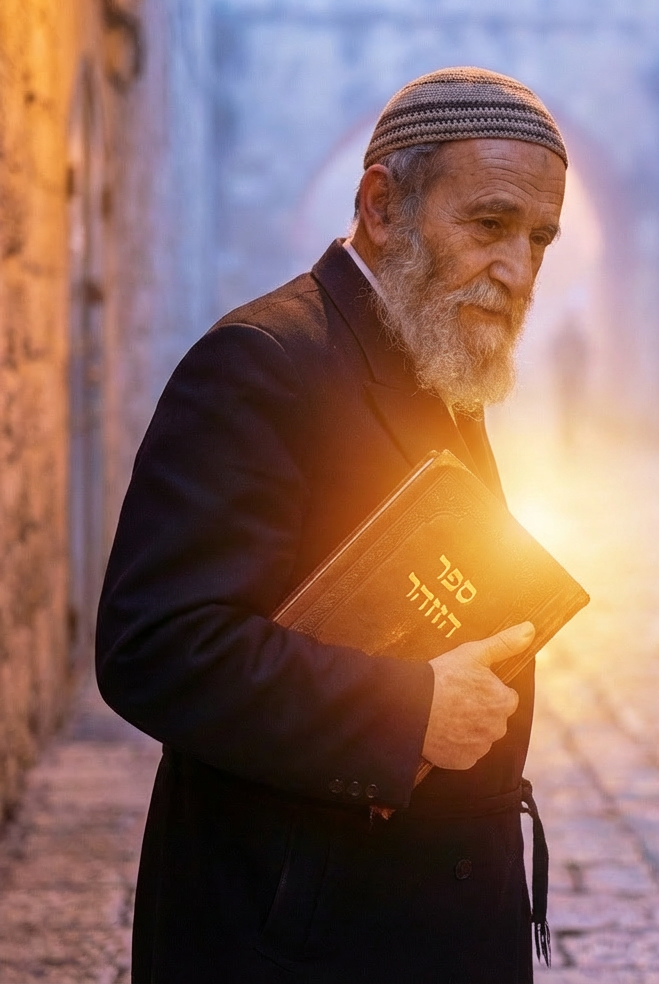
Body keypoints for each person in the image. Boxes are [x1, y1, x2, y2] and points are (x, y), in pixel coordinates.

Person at [96, 67, 568, 984]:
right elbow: (155, 645)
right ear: (382, 204)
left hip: (422, 915)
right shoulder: (262, 362)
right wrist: (414, 709)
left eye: (540, 238)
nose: (517, 270)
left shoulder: (431, 348)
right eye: (489, 225)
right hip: (302, 933)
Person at [549, 311, 589, 450]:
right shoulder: (571, 337)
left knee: (569, 408)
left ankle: (569, 437)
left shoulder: (572, 337)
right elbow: (554, 353)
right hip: (567, 378)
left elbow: (585, 355)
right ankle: (567, 437)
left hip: (570, 378)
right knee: (567, 409)